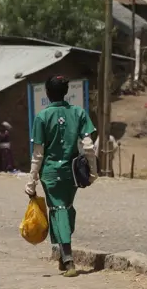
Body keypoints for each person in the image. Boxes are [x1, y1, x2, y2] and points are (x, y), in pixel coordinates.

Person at [25, 75, 98, 277]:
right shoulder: (78, 112)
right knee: (63, 209)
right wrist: (93, 171)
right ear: (66, 92)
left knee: (60, 210)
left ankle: (68, 260)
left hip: (50, 173)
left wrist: (31, 181)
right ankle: (62, 255)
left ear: (47, 93)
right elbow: (89, 146)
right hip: (71, 174)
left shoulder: (42, 117)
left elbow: (38, 153)